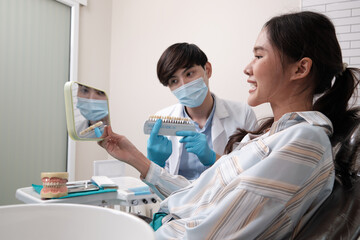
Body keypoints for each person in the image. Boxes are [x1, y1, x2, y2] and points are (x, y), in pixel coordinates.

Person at [98, 11, 359, 239]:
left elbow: (213, 231)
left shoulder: (303, 140)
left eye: (258, 55)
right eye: (173, 81)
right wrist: (136, 158)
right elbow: (202, 197)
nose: (247, 68)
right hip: (169, 218)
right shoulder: (271, 133)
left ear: (300, 69)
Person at [147, 43, 258, 180]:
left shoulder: (243, 114)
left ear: (207, 70)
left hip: (225, 199)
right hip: (179, 199)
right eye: (174, 81)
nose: (184, 85)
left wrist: (213, 158)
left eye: (189, 74)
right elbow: (156, 191)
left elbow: (254, 172)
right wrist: (155, 165)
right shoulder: (161, 120)